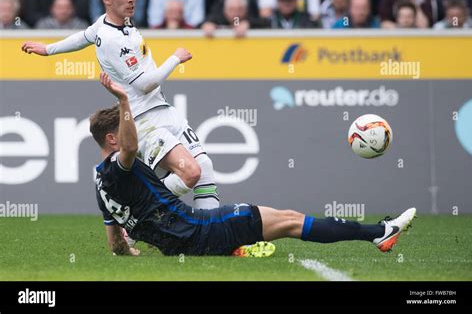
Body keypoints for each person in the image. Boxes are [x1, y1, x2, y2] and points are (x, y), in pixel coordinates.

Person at [93, 71, 417, 257]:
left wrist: (131, 249)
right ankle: (379, 233)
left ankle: (376, 233)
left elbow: (117, 243)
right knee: (291, 221)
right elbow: (132, 145)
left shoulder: (100, 185)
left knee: (283, 221)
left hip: (180, 241)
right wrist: (124, 100)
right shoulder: (119, 166)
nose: (130, 135)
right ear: (112, 139)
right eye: (123, 130)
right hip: (200, 229)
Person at [21, 0, 220, 211]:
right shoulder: (113, 41)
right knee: (190, 172)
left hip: (164, 110)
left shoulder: (109, 24)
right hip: (144, 120)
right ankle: (136, 212)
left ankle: (211, 232)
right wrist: (175, 59)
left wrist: (49, 49)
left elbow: (83, 37)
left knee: (205, 167)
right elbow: (145, 84)